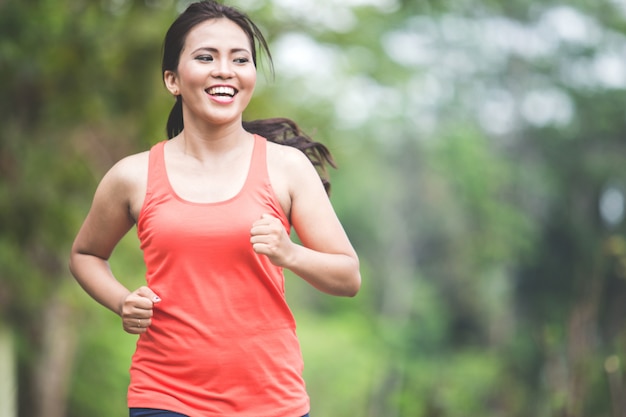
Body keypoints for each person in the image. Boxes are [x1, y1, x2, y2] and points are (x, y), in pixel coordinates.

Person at [68, 1, 361, 416]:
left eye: (239, 59)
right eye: (206, 57)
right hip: (165, 397)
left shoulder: (287, 168)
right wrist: (120, 300)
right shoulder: (132, 176)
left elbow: (348, 276)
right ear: (172, 79)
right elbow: (85, 255)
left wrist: (289, 253)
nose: (224, 69)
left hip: (271, 401)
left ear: (250, 77)